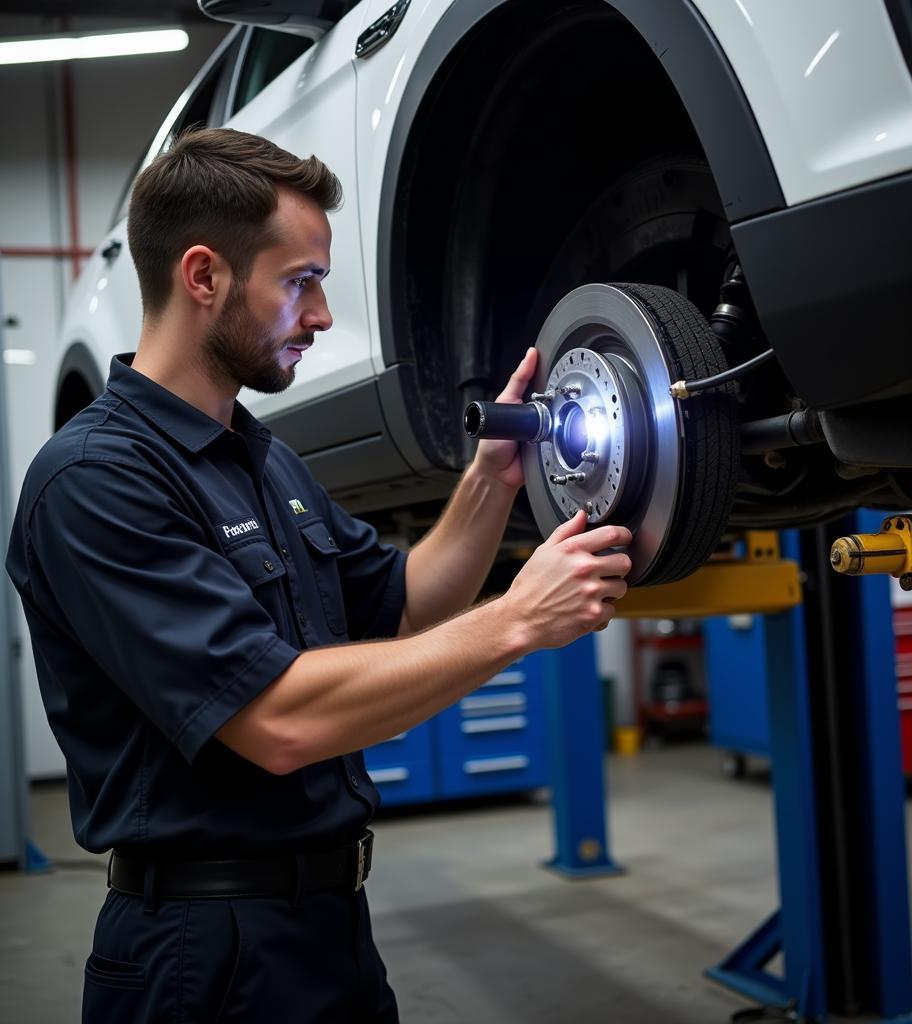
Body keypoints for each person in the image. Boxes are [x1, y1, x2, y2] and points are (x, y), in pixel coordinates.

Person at [5, 127, 631, 1022]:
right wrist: (518, 621)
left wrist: (492, 479)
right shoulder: (96, 480)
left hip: (330, 927)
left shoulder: (263, 459)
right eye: (301, 282)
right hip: (203, 952)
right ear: (204, 277)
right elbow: (277, 720)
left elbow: (407, 607)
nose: (323, 315)